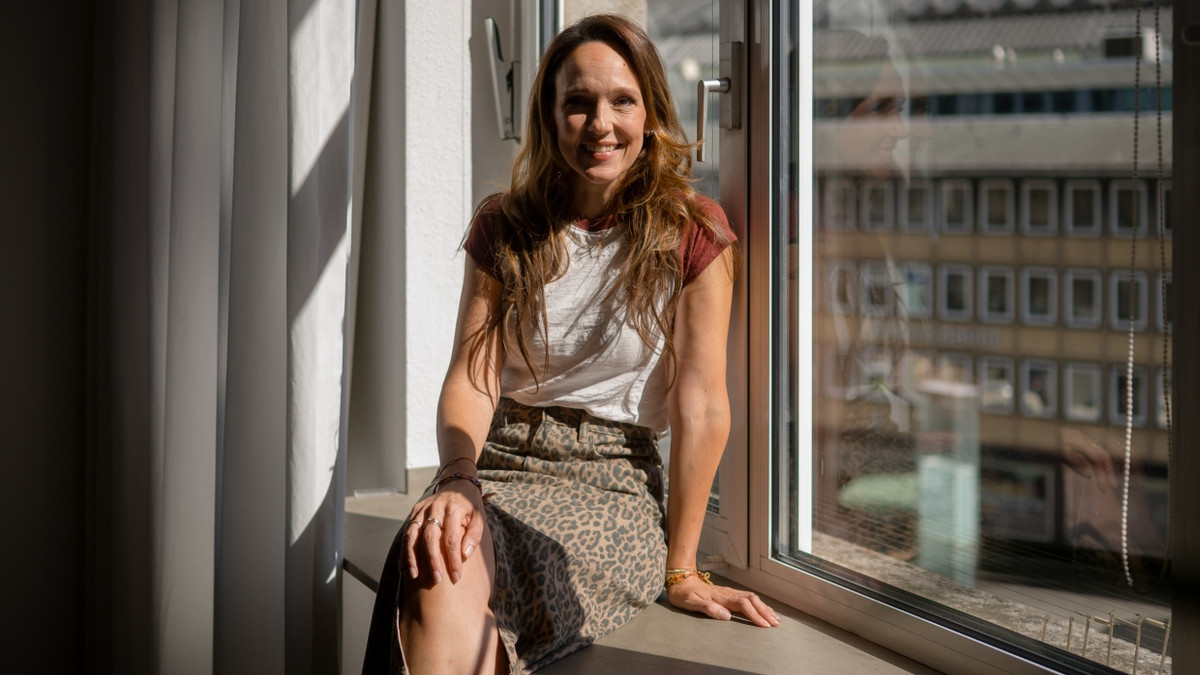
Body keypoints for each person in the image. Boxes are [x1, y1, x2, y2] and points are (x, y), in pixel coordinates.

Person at [363, 13, 778, 675]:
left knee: (459, 575)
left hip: (611, 484)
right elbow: (473, 377)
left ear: (651, 112)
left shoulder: (692, 231)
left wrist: (684, 567)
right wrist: (457, 477)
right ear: (550, 116)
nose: (601, 123)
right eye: (577, 103)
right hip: (495, 463)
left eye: (622, 100)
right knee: (437, 558)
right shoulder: (505, 225)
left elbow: (702, 407)